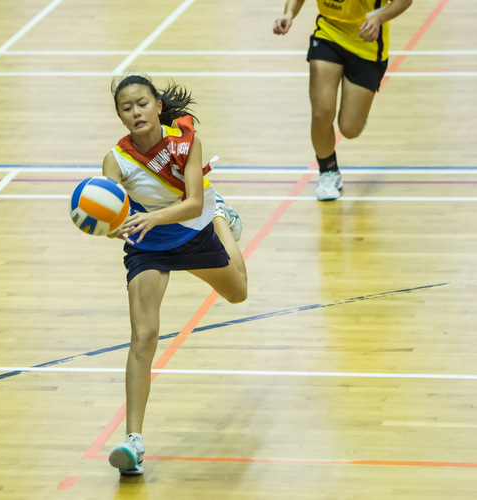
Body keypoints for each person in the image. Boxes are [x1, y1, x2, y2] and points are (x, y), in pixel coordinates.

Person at [102, 74, 248, 475]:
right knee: (144, 336)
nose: (136, 112)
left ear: (158, 106)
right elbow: (110, 209)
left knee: (239, 293)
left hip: (194, 228)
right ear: (120, 115)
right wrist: (110, 223)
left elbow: (191, 201)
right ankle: (133, 442)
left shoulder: (186, 141)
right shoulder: (116, 159)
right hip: (148, 247)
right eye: (127, 108)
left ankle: (223, 217)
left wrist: (158, 217)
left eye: (142, 103)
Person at [273, 0, 413, 201]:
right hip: (328, 33)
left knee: (349, 128)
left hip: (367, 43)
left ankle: (358, 113)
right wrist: (288, 14)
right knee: (322, 112)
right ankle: (328, 171)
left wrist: (379, 18)